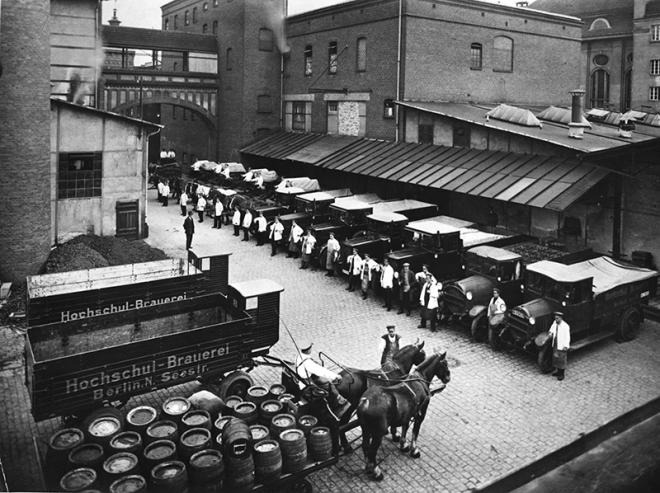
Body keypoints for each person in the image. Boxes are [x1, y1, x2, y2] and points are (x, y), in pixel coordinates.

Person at [295, 343, 350, 418]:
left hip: (304, 381)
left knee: (324, 382)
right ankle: (335, 405)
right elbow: (321, 371)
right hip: (307, 388)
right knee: (330, 386)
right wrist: (335, 376)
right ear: (309, 349)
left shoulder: (300, 357)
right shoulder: (308, 362)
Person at [548, 312, 570, 381]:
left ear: (561, 318)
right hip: (555, 344)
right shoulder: (555, 323)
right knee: (556, 358)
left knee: (561, 359)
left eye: (557, 318)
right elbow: (552, 329)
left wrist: (566, 346)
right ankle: (558, 371)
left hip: (561, 345)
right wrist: (550, 333)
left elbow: (567, 337)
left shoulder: (565, 326)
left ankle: (562, 374)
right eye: (555, 318)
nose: (556, 320)